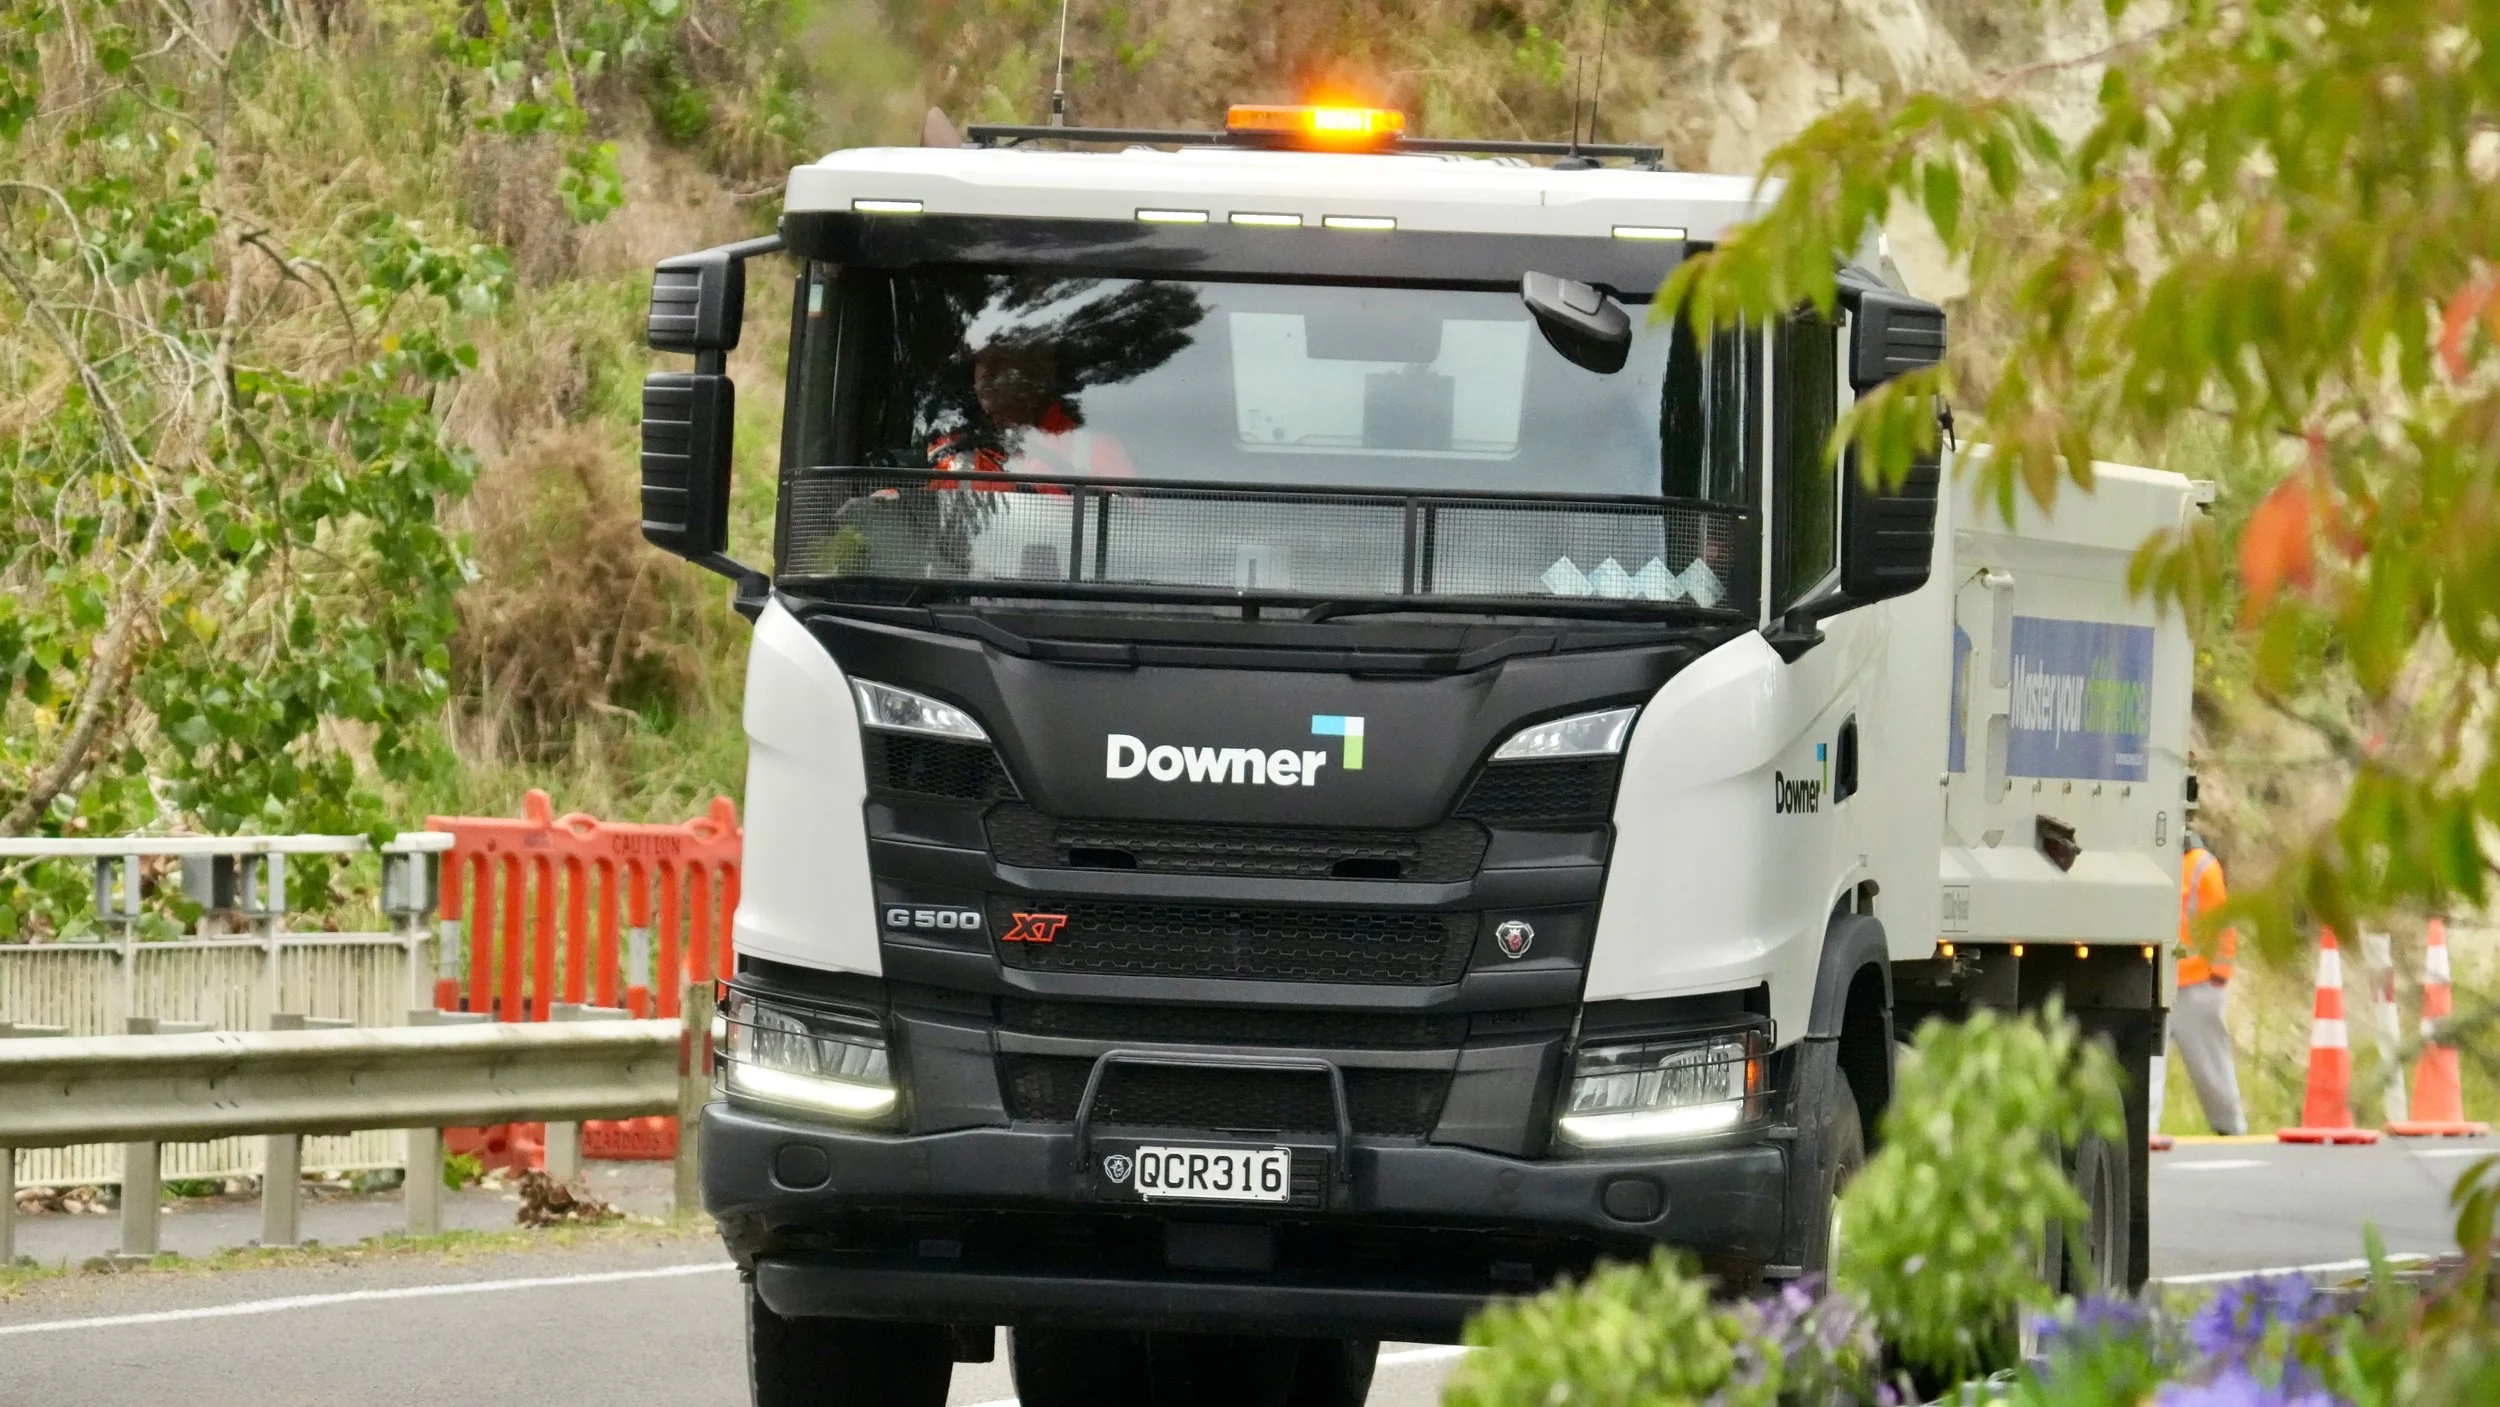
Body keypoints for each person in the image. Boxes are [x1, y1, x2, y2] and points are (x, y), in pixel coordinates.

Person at [928, 339, 1133, 491]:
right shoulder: (953, 452)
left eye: (999, 363)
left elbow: (1129, 526)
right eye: (980, 363)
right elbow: (924, 521)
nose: (985, 375)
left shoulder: (1096, 451)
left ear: (1036, 375)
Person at [2152, 830, 2248, 1142]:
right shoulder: (2178, 864)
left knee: (2210, 1066)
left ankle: (2230, 1126)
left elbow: (2221, 923)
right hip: (2166, 982)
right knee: (2152, 1062)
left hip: (2196, 985)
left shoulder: (2201, 868)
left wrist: (2219, 972)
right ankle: (2147, 1130)